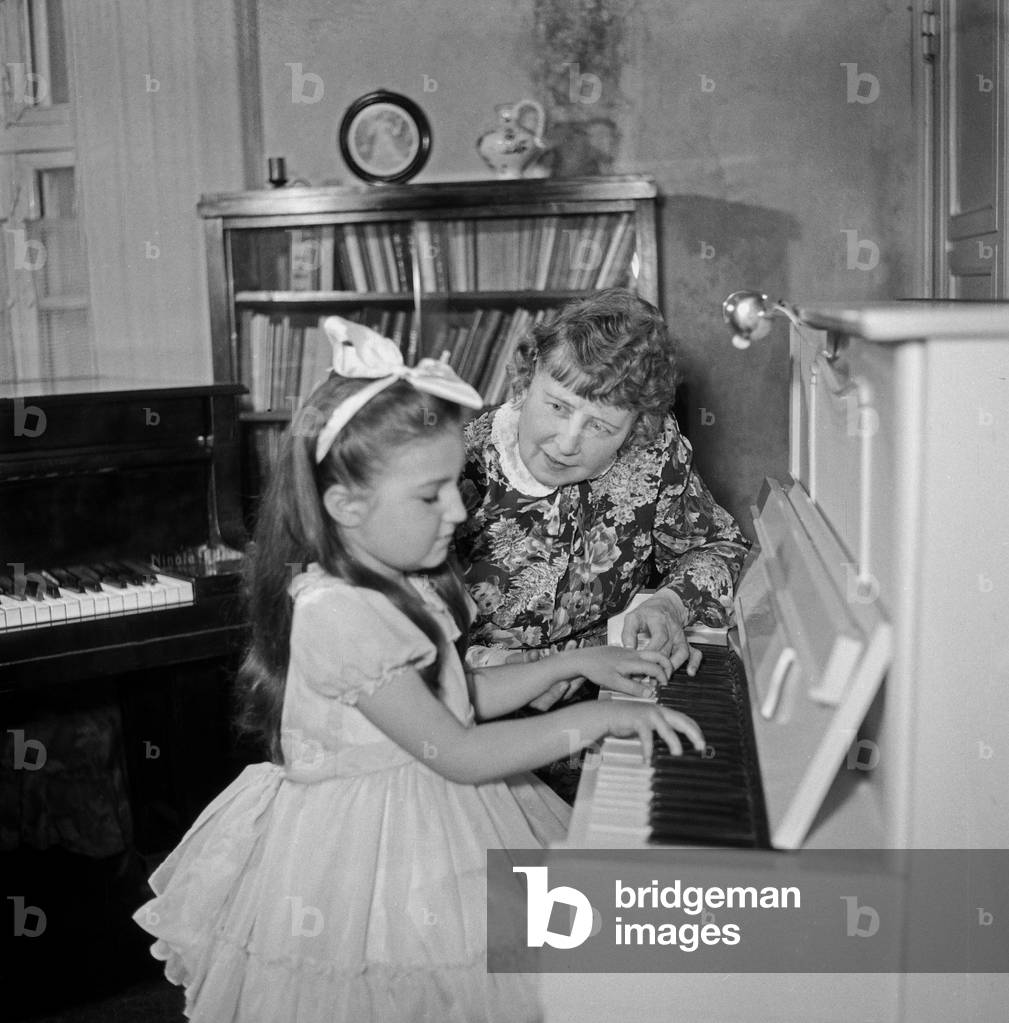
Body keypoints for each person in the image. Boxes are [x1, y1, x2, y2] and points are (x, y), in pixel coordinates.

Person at [133, 318, 704, 1023]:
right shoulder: (338, 611)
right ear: (346, 506)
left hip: (431, 806)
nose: (460, 508)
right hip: (367, 852)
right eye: (433, 494)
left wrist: (576, 659)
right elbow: (458, 749)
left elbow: (455, 699)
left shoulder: (399, 577)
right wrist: (598, 715)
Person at [455, 288, 750, 800]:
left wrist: (668, 604)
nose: (567, 442)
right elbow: (394, 645)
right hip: (477, 738)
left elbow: (720, 546)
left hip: (611, 719)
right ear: (526, 378)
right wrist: (518, 671)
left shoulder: (654, 457)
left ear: (636, 428)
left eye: (600, 426)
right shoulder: (457, 468)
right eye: (556, 406)